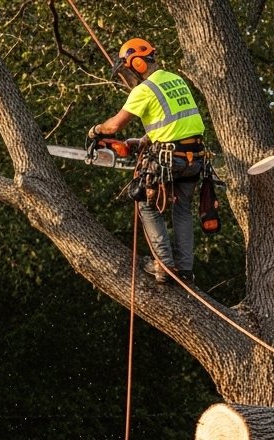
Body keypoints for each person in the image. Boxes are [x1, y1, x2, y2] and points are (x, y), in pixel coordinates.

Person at [88, 37, 207, 285]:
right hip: (194, 157)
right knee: (183, 210)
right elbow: (175, 120)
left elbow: (115, 125)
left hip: (169, 160)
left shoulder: (144, 90)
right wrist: (145, 138)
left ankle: (164, 266)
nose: (129, 74)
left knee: (147, 205)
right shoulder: (176, 79)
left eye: (129, 68)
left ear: (138, 63)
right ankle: (185, 269)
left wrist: (96, 131)